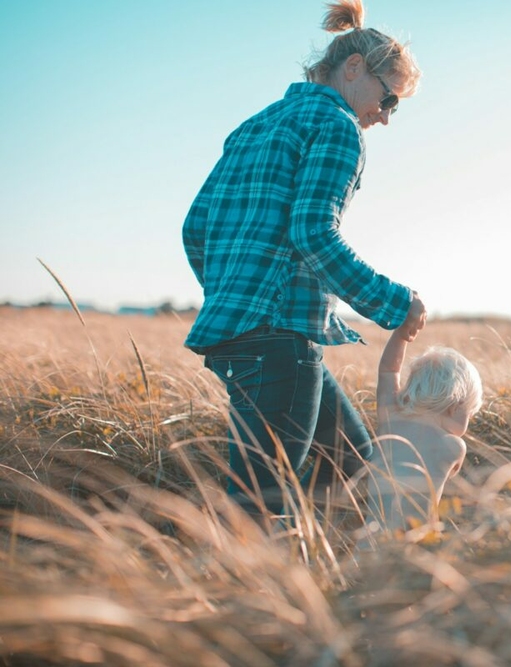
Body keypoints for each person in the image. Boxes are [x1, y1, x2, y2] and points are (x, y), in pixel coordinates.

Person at [181, 0, 425, 516]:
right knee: (260, 508)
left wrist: (233, 296)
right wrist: (394, 303)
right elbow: (313, 233)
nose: (384, 117)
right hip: (278, 339)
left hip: (241, 333)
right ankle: (242, 593)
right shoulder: (339, 127)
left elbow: (195, 229)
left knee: (356, 469)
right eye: (390, 100)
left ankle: (357, 586)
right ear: (355, 69)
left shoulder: (255, 125)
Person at [365, 327, 483, 533]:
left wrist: (401, 336)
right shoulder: (454, 446)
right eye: (470, 413)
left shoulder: (390, 419)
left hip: (368, 540)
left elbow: (388, 370)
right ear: (456, 406)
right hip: (413, 543)